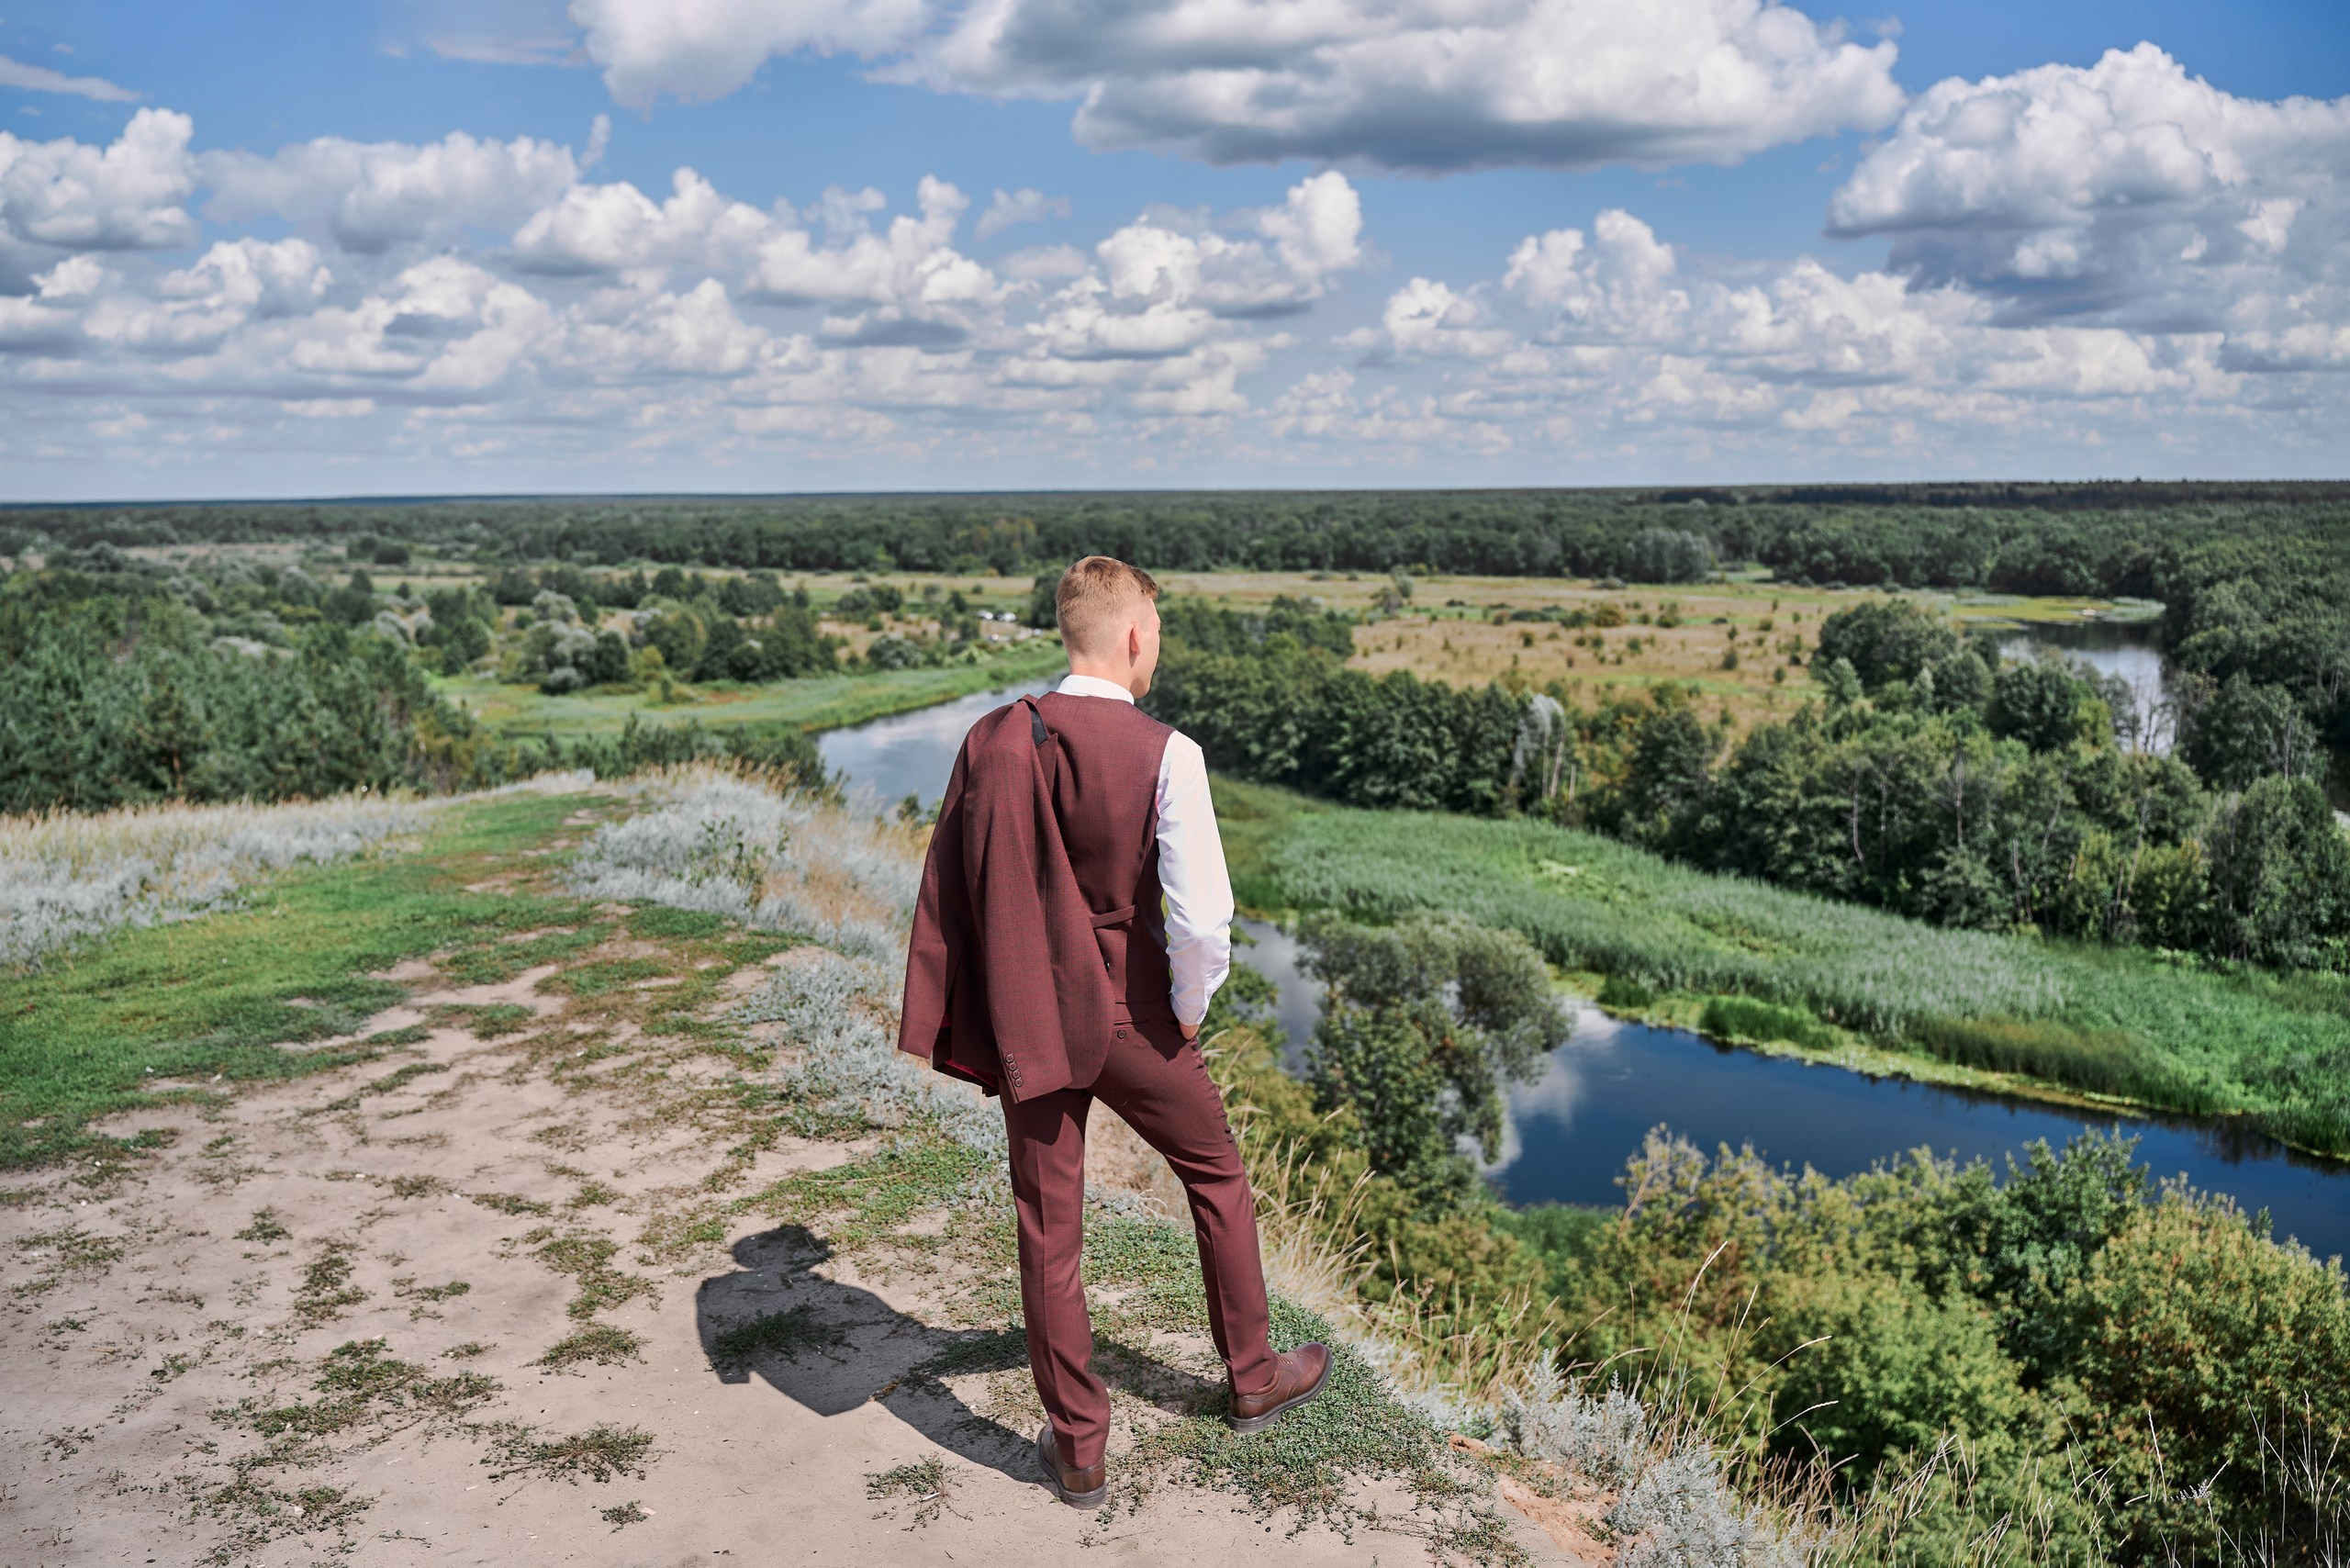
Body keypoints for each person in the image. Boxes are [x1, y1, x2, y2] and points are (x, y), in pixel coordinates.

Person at [899, 555, 1331, 1509]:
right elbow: (1201, 919)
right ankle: (1253, 1377)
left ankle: (1081, 1449)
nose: (1156, 653)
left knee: (1049, 1225)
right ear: (1135, 635)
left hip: (1029, 1007)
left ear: (1069, 630)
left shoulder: (994, 737)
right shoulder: (1167, 751)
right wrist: (1183, 1010)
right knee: (1216, 1175)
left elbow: (963, 889)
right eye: (1158, 637)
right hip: (1133, 1012)